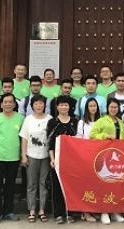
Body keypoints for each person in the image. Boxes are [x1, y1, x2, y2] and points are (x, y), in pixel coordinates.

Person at [0, 92, 24, 226]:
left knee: (10, 186)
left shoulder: (20, 118)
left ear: (14, 104)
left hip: (14, 158)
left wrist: (22, 155)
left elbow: (23, 139)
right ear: (1, 104)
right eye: (5, 102)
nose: (8, 104)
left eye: (10, 102)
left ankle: (8, 211)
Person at [90, 98, 124, 225]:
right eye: (111, 107)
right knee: (105, 184)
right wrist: (104, 136)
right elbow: (92, 135)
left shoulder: (120, 122)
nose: (113, 109)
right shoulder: (101, 120)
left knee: (117, 184)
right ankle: (104, 212)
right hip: (104, 156)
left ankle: (115, 211)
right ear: (107, 108)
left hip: (117, 157)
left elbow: (123, 138)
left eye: (115, 107)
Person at [20, 94, 52, 223]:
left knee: (43, 184)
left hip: (45, 156)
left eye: (41, 103)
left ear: (45, 105)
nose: (39, 106)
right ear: (32, 105)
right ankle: (32, 210)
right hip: (31, 156)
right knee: (31, 184)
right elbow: (24, 138)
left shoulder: (50, 119)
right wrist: (23, 156)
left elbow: (52, 138)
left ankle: (42, 210)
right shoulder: (28, 119)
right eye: (36, 103)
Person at [47, 96, 79, 224]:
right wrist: (52, 159)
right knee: (57, 187)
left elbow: (79, 141)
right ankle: (58, 214)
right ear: (57, 107)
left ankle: (70, 213)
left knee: (71, 187)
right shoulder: (52, 122)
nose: (64, 107)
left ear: (69, 107)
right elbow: (50, 143)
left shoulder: (75, 122)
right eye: (61, 105)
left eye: (66, 105)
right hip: (57, 159)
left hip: (72, 160)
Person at [76, 97, 100, 223]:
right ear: (86, 108)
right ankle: (85, 212)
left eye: (94, 106)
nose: (93, 108)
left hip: (98, 157)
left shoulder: (101, 121)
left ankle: (94, 209)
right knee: (86, 185)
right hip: (85, 157)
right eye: (90, 106)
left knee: (96, 185)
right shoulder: (81, 122)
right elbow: (79, 138)